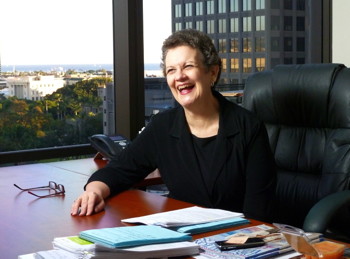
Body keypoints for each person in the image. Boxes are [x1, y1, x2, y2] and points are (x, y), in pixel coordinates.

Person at [71, 29, 276, 222]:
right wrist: (94, 191)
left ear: (212, 72)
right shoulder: (163, 126)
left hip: (235, 241)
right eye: (171, 70)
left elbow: (258, 211)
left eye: (188, 66)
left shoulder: (248, 127)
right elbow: (120, 170)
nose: (179, 77)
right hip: (182, 237)